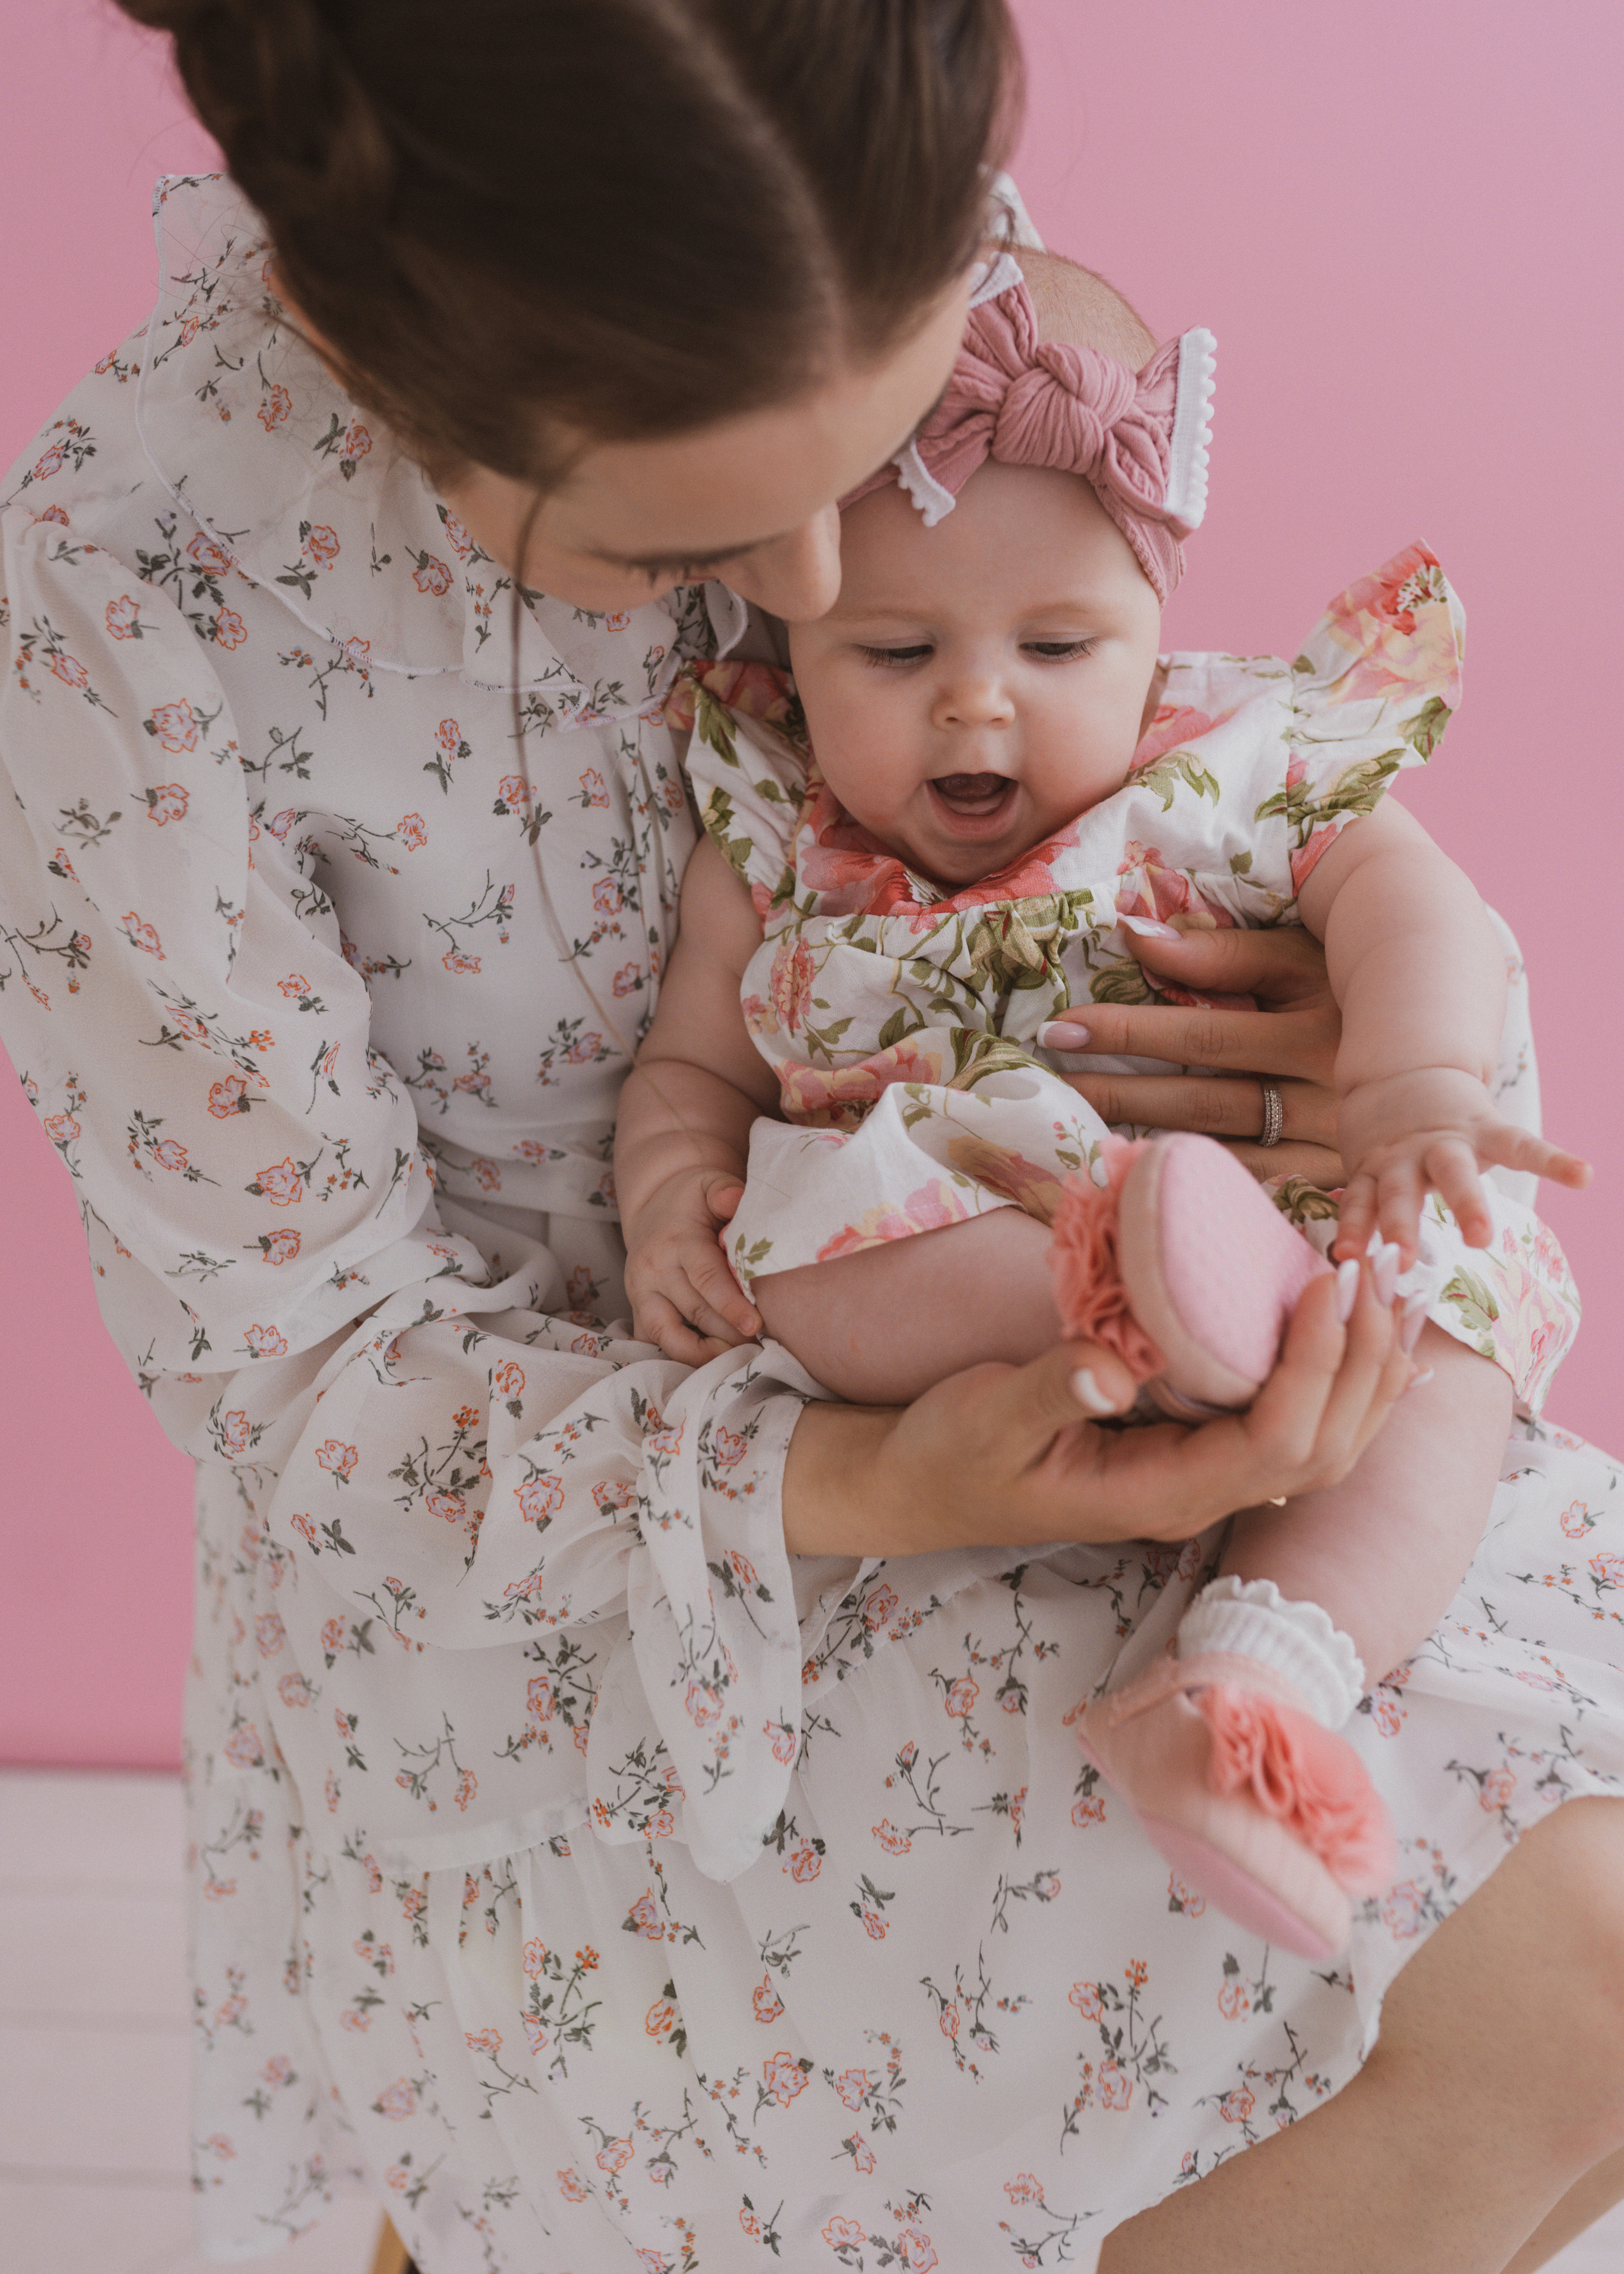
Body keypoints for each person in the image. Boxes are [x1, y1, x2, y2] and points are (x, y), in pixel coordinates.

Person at [1, 3, 1621, 2268]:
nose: (806, 593)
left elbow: (1148, 705)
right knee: (1554, 1977)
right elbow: (311, 1384)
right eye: (686, 536)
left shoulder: (871, 222)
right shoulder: (140, 601)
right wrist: (880, 1474)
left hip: (1092, 1277)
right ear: (427, 362)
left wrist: (1320, 1022)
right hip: (575, 1557)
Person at [613, 264, 1588, 1962]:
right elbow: (694, 1064)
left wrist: (1420, 1082)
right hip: (950, 1226)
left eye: (1058, 646)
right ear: (790, 635)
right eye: (896, 651)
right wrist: (666, 1180)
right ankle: (1152, 1307)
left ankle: (1254, 1682)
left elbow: (1408, 909)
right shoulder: (775, 825)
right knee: (825, 1276)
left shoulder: (1230, 757)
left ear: (1153, 630)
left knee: (1450, 1352)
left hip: (1252, 1224)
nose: (978, 701)